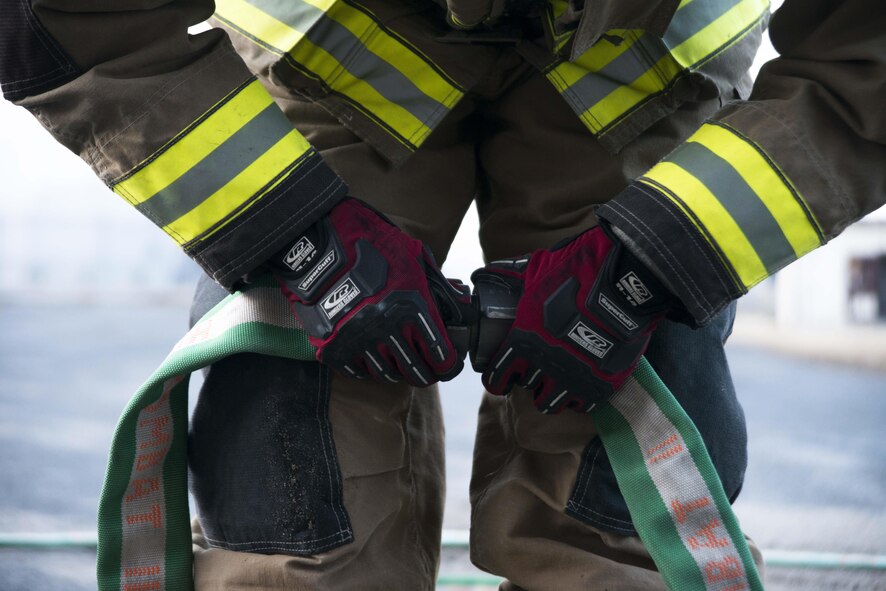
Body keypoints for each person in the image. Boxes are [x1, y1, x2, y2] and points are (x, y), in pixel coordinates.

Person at [2, 0, 883, 588]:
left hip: (634, 65)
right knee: (297, 529)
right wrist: (292, 230)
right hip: (337, 50)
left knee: (619, 536)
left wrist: (656, 256)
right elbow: (63, 19)